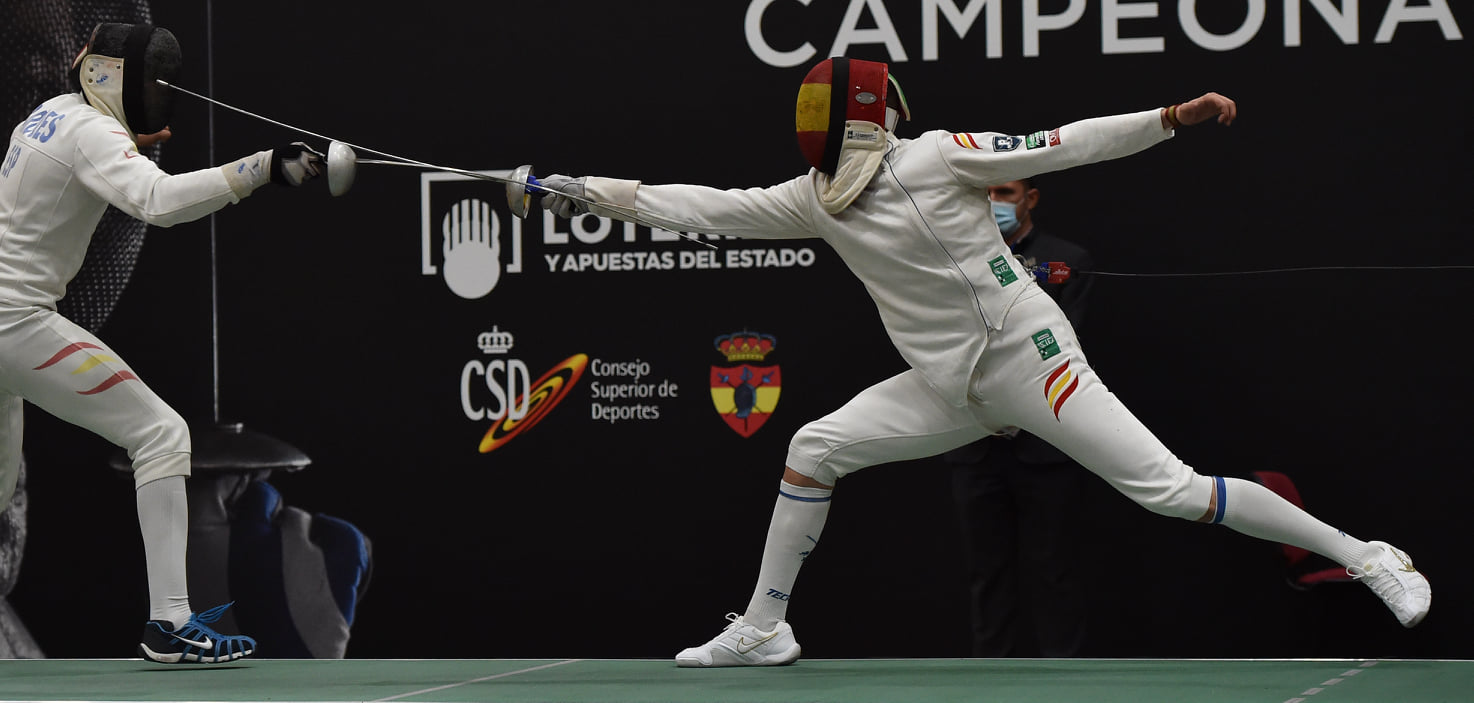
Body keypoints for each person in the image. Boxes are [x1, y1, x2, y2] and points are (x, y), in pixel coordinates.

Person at [534, 57, 1431, 667]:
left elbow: (1062, 144)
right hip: (943, 383)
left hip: (1028, 359)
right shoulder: (813, 199)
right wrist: (573, 189)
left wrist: (1167, 119)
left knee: (1174, 491)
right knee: (814, 446)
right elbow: (705, 208)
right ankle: (764, 627)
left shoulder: (936, 160)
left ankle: (1367, 555)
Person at [0, 22, 329, 666]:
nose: (158, 92)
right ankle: (171, 625)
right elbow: (157, 203)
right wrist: (261, 168)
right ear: (112, 75)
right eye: (149, 79)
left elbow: (77, 170)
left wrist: (126, 142)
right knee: (163, 435)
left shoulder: (48, 115)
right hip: (11, 323)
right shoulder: (94, 134)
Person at [942, 177, 1093, 658]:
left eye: (1004, 193)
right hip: (975, 442)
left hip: (1045, 443)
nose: (993, 203)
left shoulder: (1066, 261)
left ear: (1030, 199)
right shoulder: (950, 258)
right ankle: (990, 680)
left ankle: (1066, 681)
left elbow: (1066, 351)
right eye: (985, 193)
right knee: (986, 574)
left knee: (1057, 571)